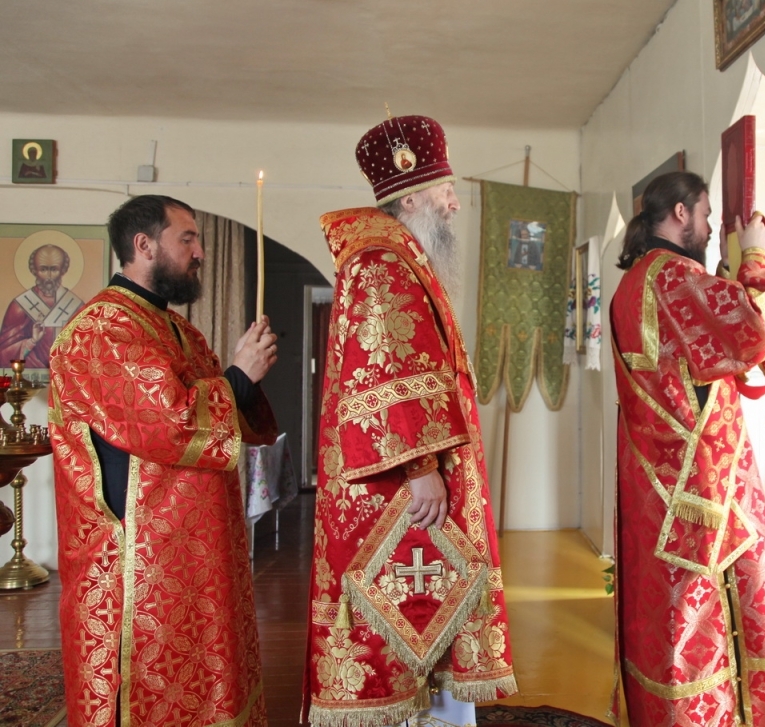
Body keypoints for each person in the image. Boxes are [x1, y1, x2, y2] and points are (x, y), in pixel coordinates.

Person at [303, 115, 515, 727]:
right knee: (407, 617)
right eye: (447, 189)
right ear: (412, 195)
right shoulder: (382, 260)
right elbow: (385, 372)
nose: (454, 203)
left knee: (431, 612)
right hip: (399, 489)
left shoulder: (399, 257)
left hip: (413, 478)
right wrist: (421, 466)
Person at [49, 194, 279, 726]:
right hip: (137, 560)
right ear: (144, 245)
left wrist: (246, 374)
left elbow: (228, 418)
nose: (200, 253)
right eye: (188, 238)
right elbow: (168, 423)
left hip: (193, 551)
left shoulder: (180, 330)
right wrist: (238, 376)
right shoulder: (102, 329)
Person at [610, 171, 765, 724]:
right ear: (680, 213)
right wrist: (756, 256)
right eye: (706, 213)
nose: (712, 226)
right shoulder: (674, 276)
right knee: (709, 618)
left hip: (655, 486)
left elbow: (699, 363)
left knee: (665, 622)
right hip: (706, 491)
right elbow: (758, 330)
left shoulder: (633, 284)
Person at [0, 242, 84, 367]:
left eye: (54, 269)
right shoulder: (20, 306)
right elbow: (4, 354)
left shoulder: (76, 306)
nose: (48, 276)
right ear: (34, 270)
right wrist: (32, 341)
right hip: (30, 375)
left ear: (63, 270)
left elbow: (87, 347)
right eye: (43, 269)